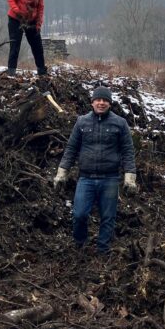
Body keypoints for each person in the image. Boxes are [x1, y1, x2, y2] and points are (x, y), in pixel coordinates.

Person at [53, 86, 137, 254]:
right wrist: (61, 173)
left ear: (110, 103)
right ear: (92, 102)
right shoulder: (81, 122)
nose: (101, 103)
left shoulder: (120, 123)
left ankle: (103, 250)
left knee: (108, 217)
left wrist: (130, 178)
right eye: (98, 100)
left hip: (110, 178)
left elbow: (128, 151)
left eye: (105, 100)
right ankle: (80, 244)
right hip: (86, 178)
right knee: (79, 214)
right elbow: (71, 149)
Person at [6, 0, 47, 76]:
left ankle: (42, 73)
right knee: (15, 46)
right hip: (16, 19)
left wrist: (38, 24)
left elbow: (40, 7)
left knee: (38, 47)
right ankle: (11, 73)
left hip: (31, 21)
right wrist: (17, 10)